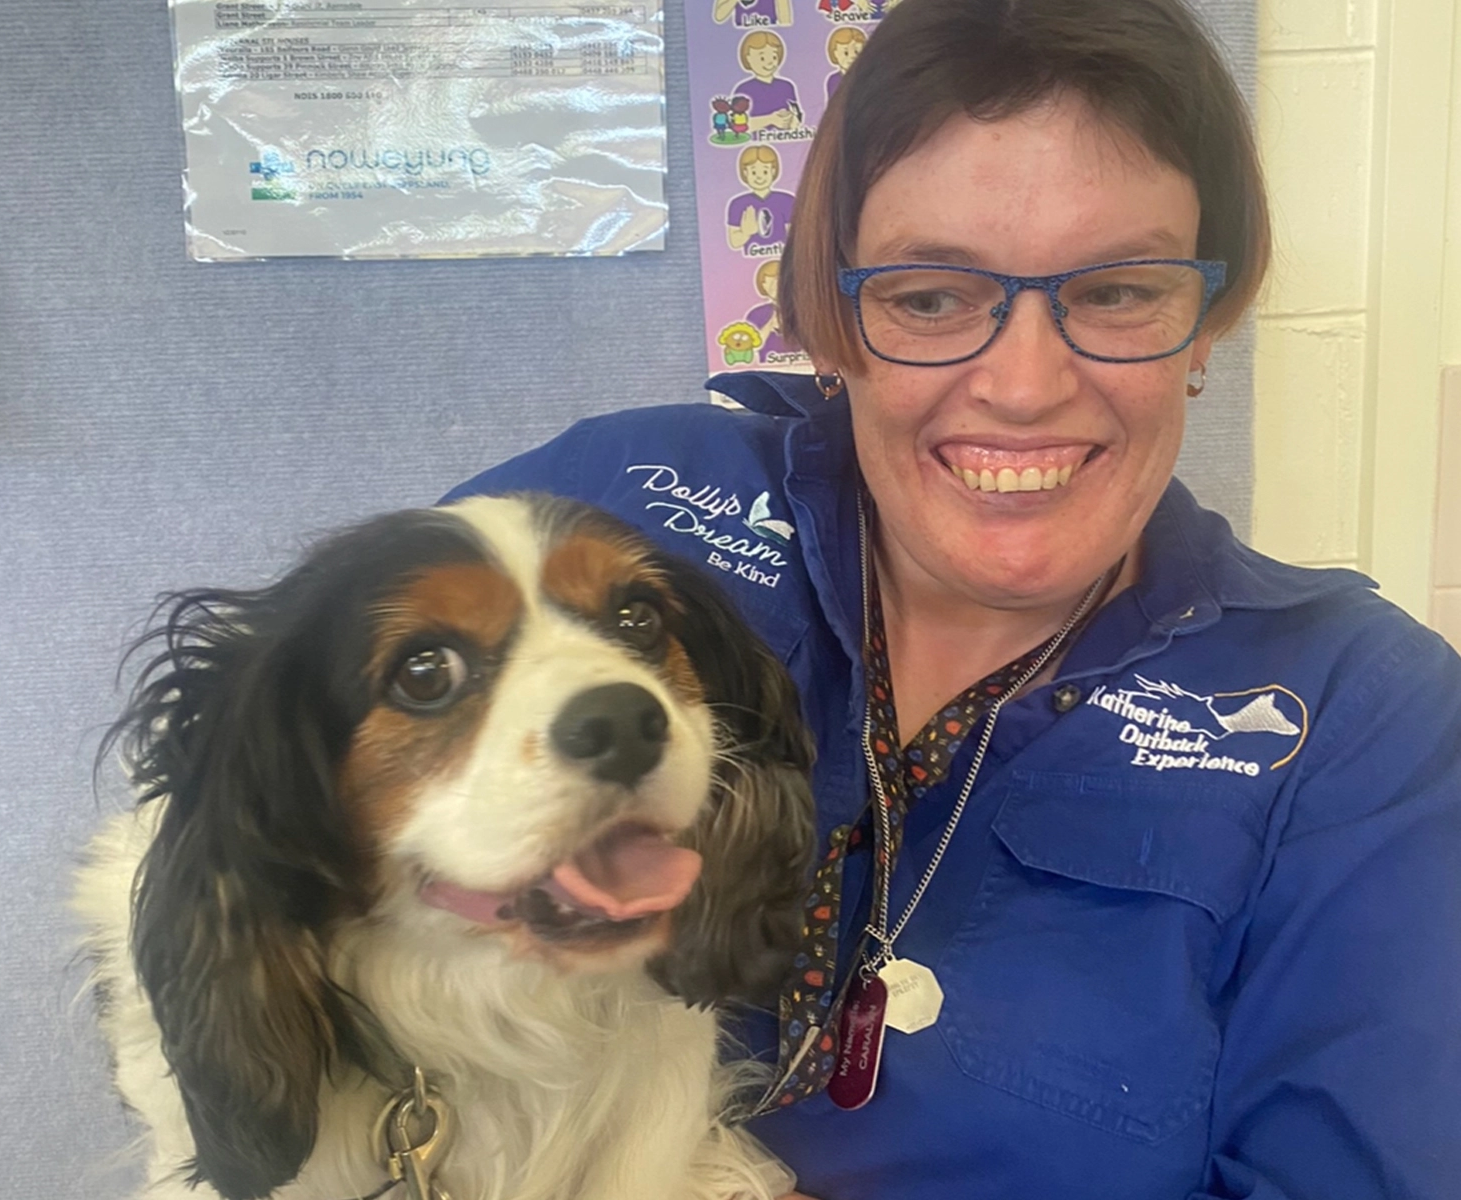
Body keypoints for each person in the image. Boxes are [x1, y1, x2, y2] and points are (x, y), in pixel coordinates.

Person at [442, 1, 1461, 1197]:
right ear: (839, 320)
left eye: (1120, 291)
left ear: (1208, 321)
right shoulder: (616, 514)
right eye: (930, 298)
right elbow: (257, 819)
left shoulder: (1365, 718)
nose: (1024, 386)